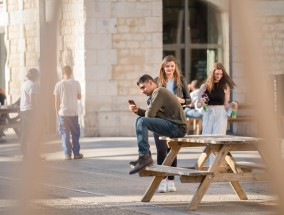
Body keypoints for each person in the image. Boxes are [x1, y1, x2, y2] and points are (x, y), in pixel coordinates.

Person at [128, 74, 187, 192]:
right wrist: (138, 110)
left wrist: (144, 113)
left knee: (141, 121)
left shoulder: (159, 91)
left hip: (177, 128)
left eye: (143, 87)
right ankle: (144, 156)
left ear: (150, 82)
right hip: (171, 125)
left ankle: (144, 157)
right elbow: (152, 116)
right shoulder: (156, 94)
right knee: (141, 120)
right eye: (140, 89)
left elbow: (149, 116)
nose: (142, 91)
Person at [153, 55, 191, 192]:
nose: (169, 68)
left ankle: (171, 181)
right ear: (163, 67)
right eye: (167, 66)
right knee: (161, 150)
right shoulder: (157, 81)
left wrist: (179, 100)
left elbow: (189, 100)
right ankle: (161, 181)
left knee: (172, 150)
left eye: (172, 66)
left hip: (175, 119)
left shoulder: (181, 80)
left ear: (175, 67)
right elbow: (149, 100)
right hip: (159, 119)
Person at [197, 63, 237, 163]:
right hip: (208, 112)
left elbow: (225, 104)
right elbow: (198, 105)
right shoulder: (205, 86)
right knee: (207, 139)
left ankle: (214, 166)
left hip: (220, 114)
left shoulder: (225, 87)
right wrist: (201, 103)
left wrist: (232, 105)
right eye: (216, 74)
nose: (218, 76)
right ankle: (205, 164)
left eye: (220, 74)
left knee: (218, 139)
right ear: (212, 73)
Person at [54, 65, 83, 160]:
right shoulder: (76, 83)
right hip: (73, 112)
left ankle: (67, 154)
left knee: (65, 134)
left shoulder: (58, 85)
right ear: (71, 73)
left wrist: (56, 114)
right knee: (75, 133)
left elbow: (56, 102)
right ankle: (76, 153)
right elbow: (79, 97)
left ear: (63, 74)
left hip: (63, 113)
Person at [20, 68, 40, 156]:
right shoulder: (32, 85)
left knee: (24, 133)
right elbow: (32, 100)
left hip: (23, 111)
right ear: (35, 77)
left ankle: (24, 153)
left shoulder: (24, 84)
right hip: (29, 111)